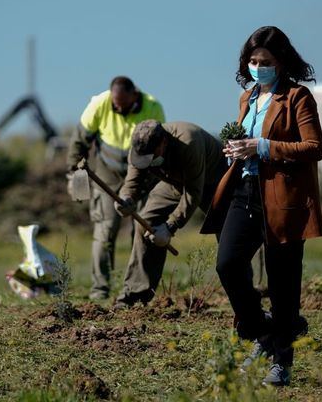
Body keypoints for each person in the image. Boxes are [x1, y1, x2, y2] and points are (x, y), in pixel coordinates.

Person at [201, 26, 322, 386]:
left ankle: (281, 362)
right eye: (252, 61)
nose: (258, 67)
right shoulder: (246, 98)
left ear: (281, 62)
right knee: (227, 263)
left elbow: (314, 148)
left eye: (265, 62)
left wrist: (263, 146)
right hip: (244, 190)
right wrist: (236, 148)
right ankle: (263, 332)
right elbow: (247, 141)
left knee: (283, 284)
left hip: (283, 198)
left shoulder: (298, 97)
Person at [67, 76, 165, 300]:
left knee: (140, 232)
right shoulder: (100, 104)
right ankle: (99, 289)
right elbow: (79, 140)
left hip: (142, 177)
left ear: (134, 94)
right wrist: (74, 174)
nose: (118, 107)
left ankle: (137, 288)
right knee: (104, 231)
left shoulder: (153, 107)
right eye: (115, 103)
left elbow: (160, 147)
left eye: (123, 103)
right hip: (107, 176)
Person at [113, 120, 228, 308]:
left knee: (228, 234)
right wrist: (126, 198)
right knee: (144, 223)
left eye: (151, 156)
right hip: (175, 182)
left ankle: (247, 292)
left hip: (213, 181)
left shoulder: (188, 141)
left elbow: (193, 193)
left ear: (163, 142)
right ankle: (135, 294)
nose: (147, 161)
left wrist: (169, 227)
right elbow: (133, 181)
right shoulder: (140, 148)